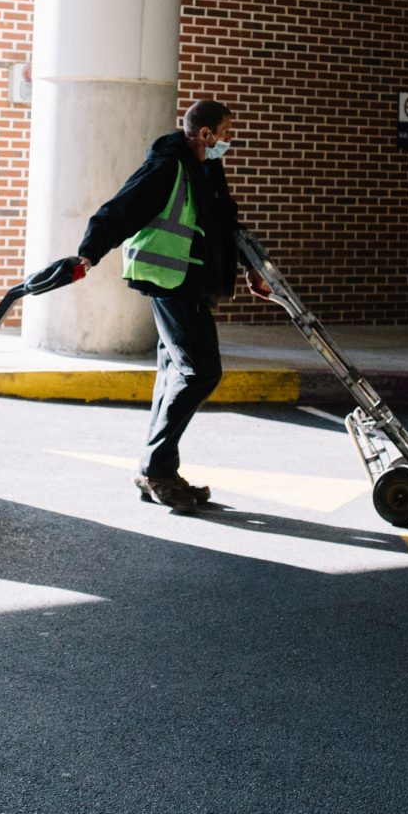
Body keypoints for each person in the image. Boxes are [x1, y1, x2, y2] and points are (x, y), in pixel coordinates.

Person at [76, 99, 269, 513]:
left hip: (193, 281)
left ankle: (159, 468)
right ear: (206, 135)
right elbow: (120, 209)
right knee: (201, 371)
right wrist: (87, 254)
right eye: (227, 133)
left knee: (173, 374)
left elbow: (226, 222)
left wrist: (252, 267)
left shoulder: (207, 167)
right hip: (171, 281)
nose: (229, 141)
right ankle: (155, 468)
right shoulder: (167, 166)